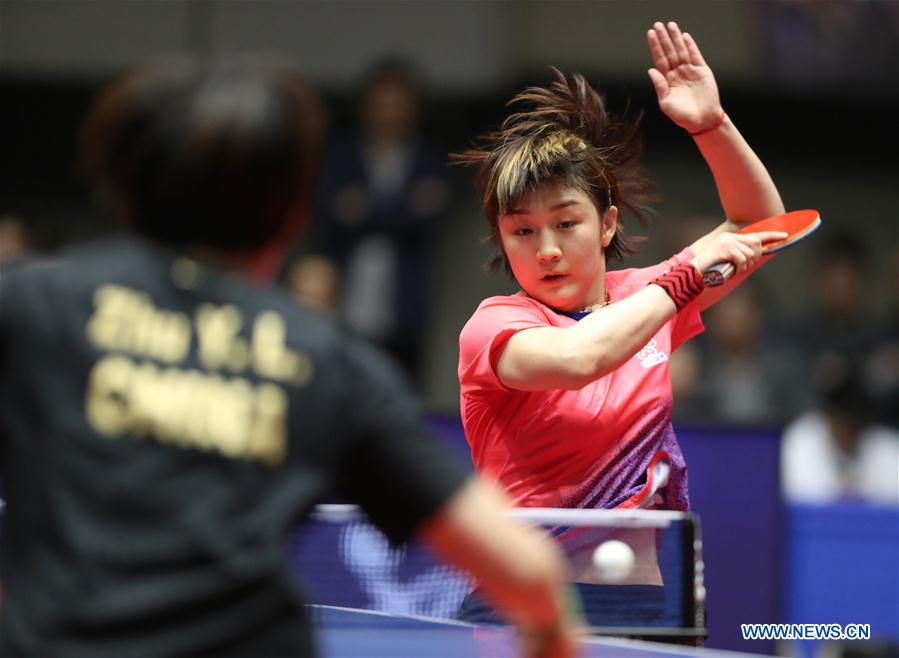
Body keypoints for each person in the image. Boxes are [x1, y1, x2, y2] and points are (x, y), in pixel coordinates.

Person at [0, 58, 581, 658]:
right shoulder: (328, 363)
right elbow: (526, 570)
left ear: (119, 190)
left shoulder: (32, 306)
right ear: (292, 214)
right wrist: (553, 637)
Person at [454, 22, 788, 625]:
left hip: (641, 606)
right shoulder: (493, 329)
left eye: (566, 222)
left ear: (606, 225)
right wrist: (686, 275)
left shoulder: (644, 297)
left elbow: (764, 225)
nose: (546, 248)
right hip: (520, 608)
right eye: (522, 230)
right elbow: (580, 357)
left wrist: (710, 126)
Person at [313, 59, 451, 383]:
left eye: (397, 105)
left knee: (401, 387)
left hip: (405, 301)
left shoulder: (428, 159)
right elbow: (328, 215)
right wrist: (403, 209)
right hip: (345, 293)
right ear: (365, 107)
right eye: (381, 105)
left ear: (413, 110)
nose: (388, 114)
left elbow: (431, 221)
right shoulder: (340, 156)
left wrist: (366, 210)